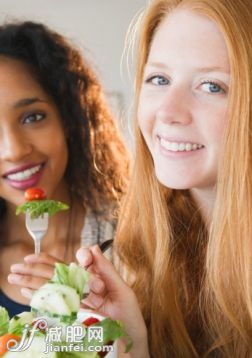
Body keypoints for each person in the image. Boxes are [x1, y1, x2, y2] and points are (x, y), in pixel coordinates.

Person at [76, 0, 252, 357]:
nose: (168, 112)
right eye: (159, 79)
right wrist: (132, 346)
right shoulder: (132, 259)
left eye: (212, 86)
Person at [0, 21, 129, 318]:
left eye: (32, 117)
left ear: (70, 119)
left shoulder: (136, 242)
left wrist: (82, 319)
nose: (14, 150)